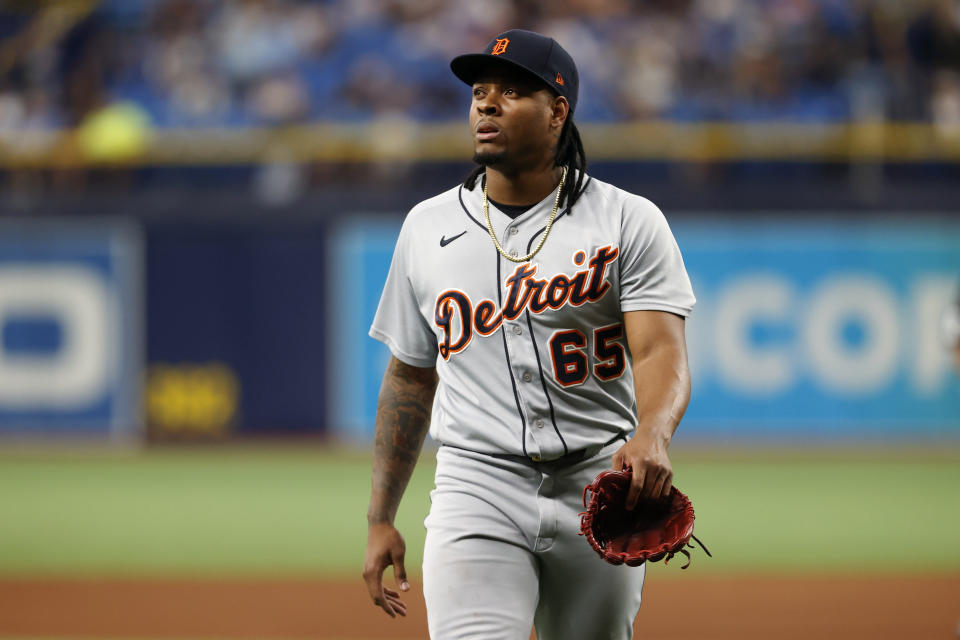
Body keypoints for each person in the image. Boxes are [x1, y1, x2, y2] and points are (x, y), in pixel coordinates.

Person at [362, 29, 696, 639]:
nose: (486, 104)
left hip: (599, 482)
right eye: (480, 93)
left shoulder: (627, 219)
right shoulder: (426, 227)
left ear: (558, 112)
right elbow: (410, 374)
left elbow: (659, 350)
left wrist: (652, 433)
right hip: (476, 484)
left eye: (512, 93)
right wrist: (381, 515)